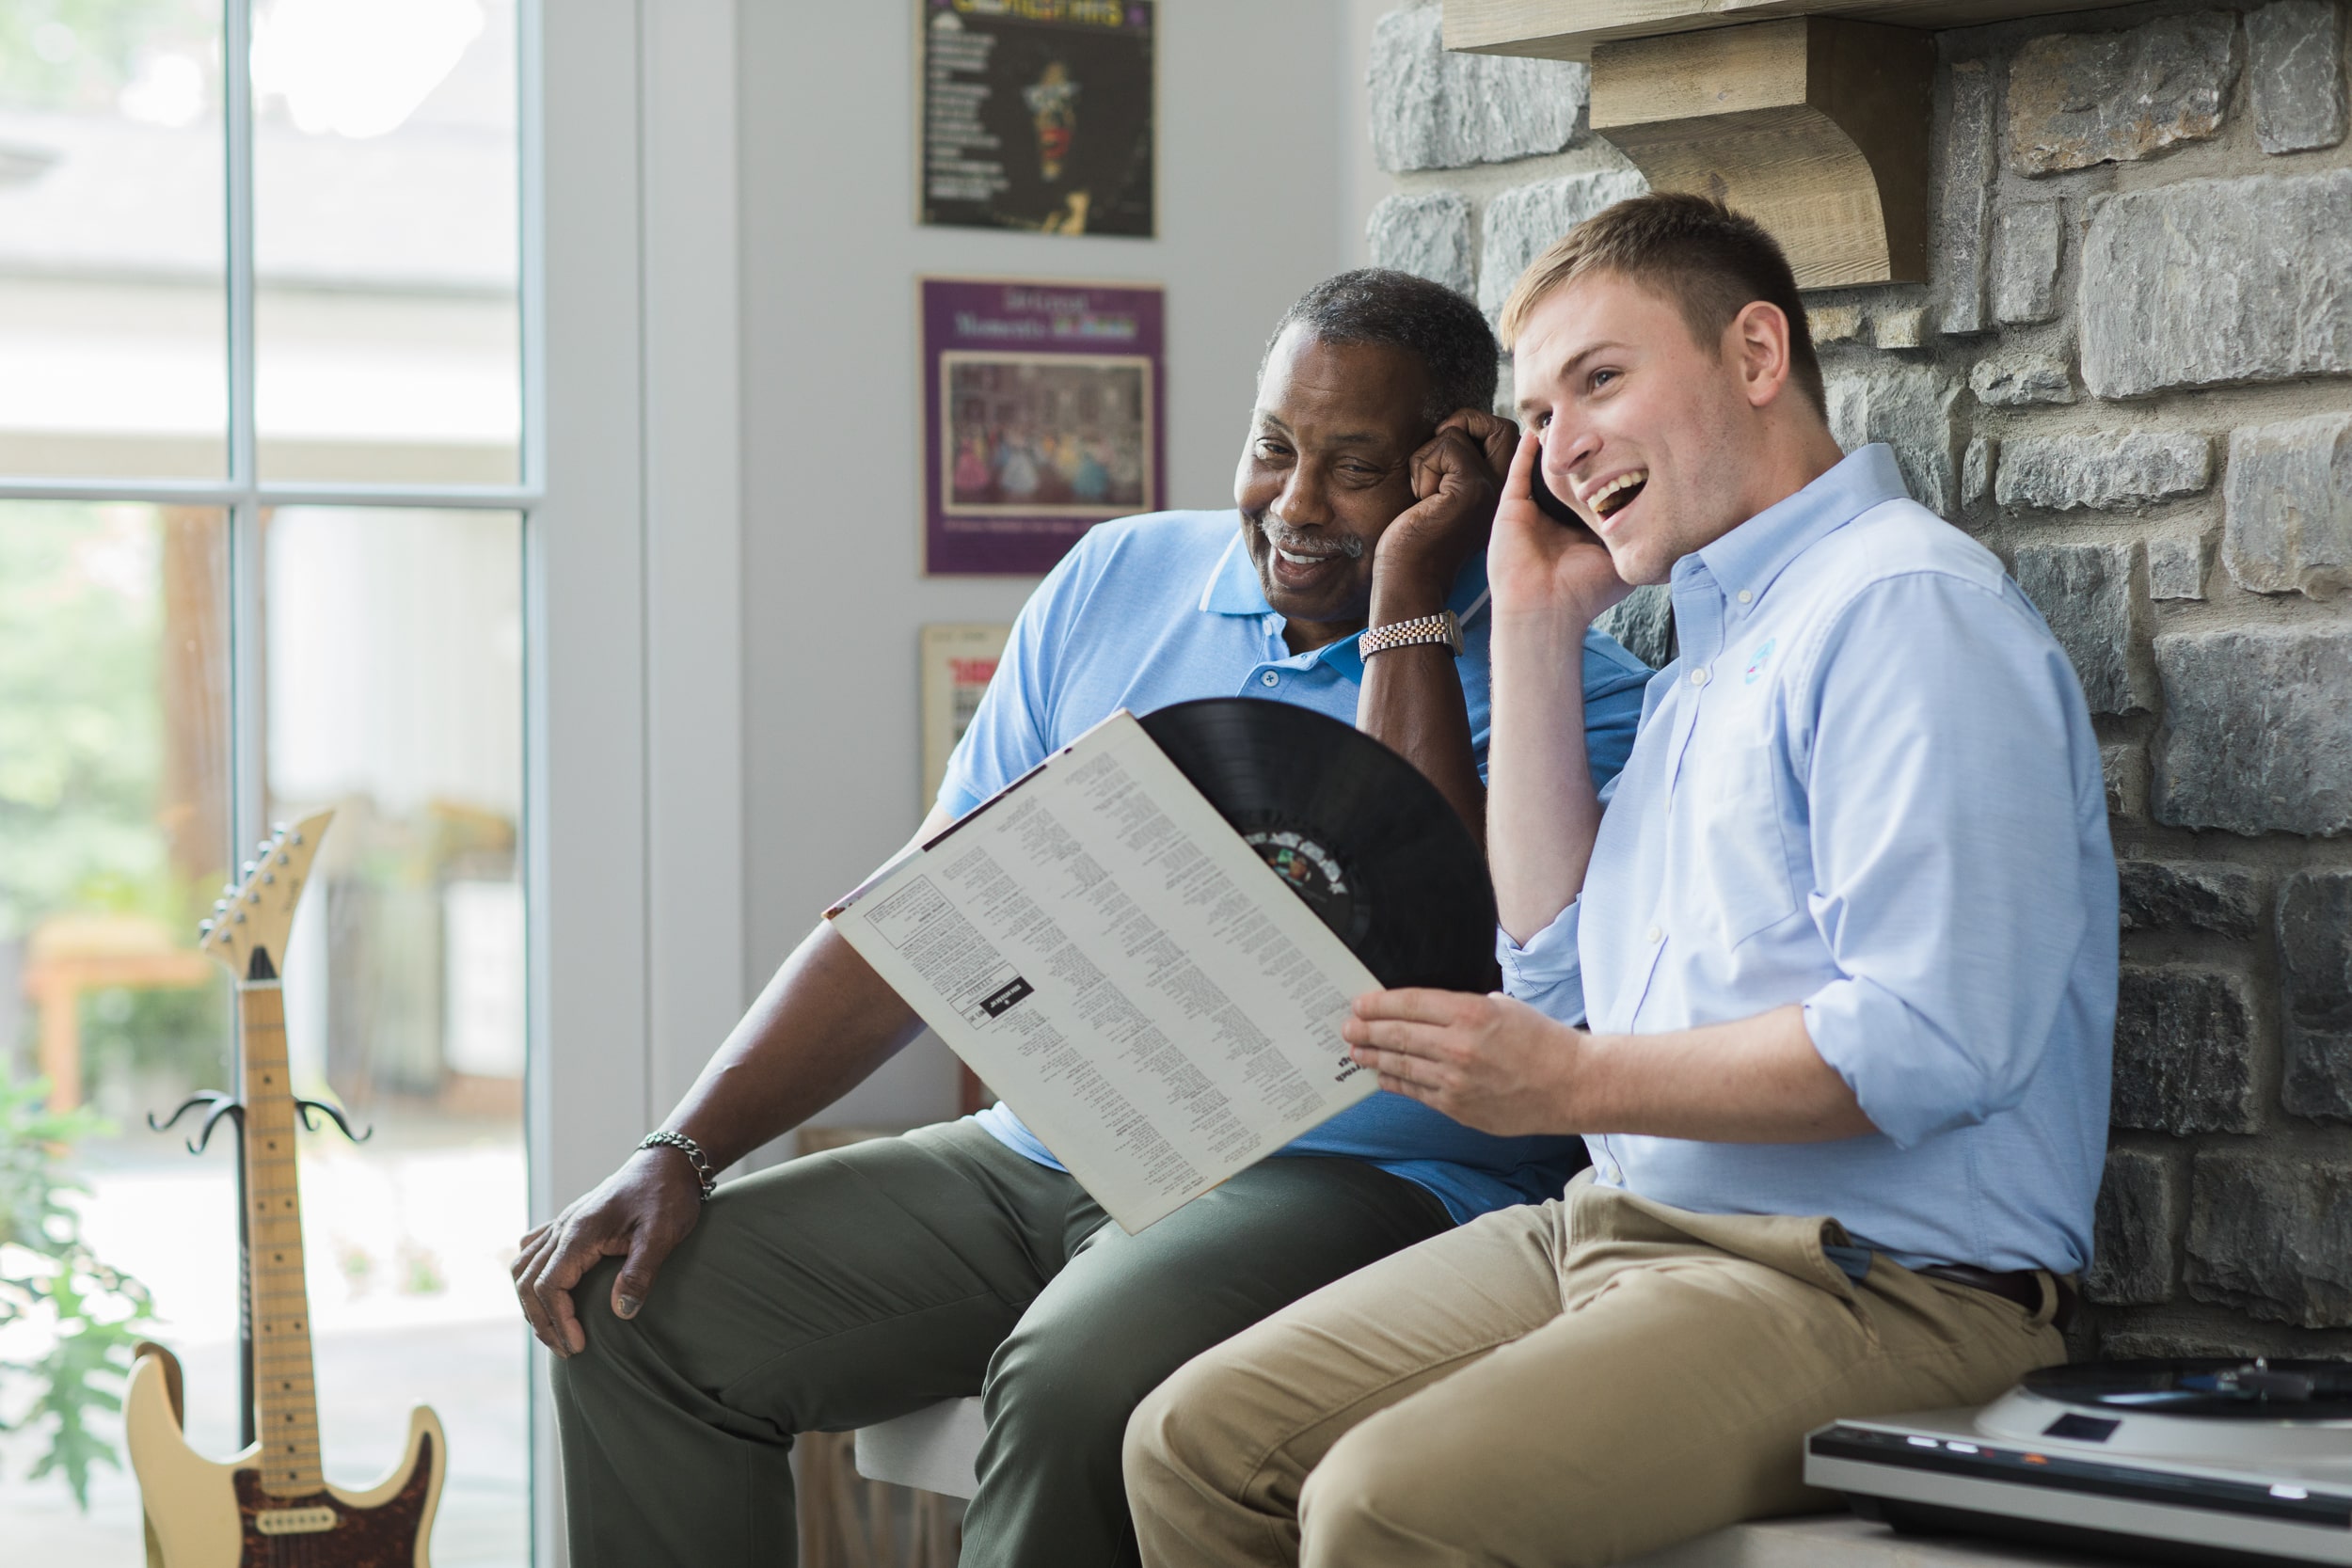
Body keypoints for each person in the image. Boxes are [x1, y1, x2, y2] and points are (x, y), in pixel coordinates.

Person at [512, 268, 1655, 1567]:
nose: (1293, 505)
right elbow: (929, 918)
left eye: (1355, 468)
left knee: (1074, 1383)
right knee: (636, 1310)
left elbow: (1430, 935)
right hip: (1055, 1151)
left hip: (1366, 1180)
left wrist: (1410, 598)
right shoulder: (1117, 578)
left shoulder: (1575, 691)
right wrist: (684, 1146)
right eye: (1273, 446)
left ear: (1453, 473)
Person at [1123, 195, 2118, 1568]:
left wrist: (1576, 1085)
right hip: (1625, 1229)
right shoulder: (1714, 636)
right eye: (1539, 413)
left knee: (1384, 1507)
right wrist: (1532, 620)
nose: (1561, 447)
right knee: (1194, 1443)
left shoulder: (1904, 611)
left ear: (1757, 356)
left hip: (1881, 1286)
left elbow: (1938, 1042)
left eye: (1600, 380)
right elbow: (1557, 967)